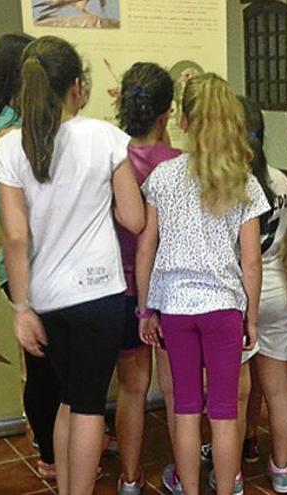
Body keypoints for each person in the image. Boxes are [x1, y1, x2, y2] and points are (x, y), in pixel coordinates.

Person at [0, 36, 144, 495]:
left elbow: (16, 236)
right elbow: (133, 218)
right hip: (100, 296)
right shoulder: (104, 136)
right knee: (89, 404)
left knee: (65, 402)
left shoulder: (10, 147)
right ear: (77, 85)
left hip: (47, 298)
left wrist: (21, 309)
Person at [136, 73, 269, 495]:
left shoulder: (162, 177)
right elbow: (251, 261)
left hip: (175, 307)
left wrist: (145, 308)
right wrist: (252, 316)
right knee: (226, 412)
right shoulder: (242, 180)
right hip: (224, 308)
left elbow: (147, 249)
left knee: (187, 410)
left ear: (184, 120)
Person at [0, 32, 62, 481]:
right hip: (28, 264)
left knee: (48, 366)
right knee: (44, 368)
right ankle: (51, 452)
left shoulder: (5, 124)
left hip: (35, 262)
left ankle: (59, 439)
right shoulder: (10, 133)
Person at [111, 61, 182, 495]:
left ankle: (130, 479)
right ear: (166, 114)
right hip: (170, 292)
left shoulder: (111, 159)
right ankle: (183, 474)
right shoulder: (179, 164)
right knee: (177, 392)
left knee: (132, 389)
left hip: (121, 288)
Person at [238, 96, 287, 493]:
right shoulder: (280, 180)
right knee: (279, 388)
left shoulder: (231, 183)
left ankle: (233, 472)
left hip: (242, 294)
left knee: (235, 393)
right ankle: (282, 470)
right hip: (277, 288)